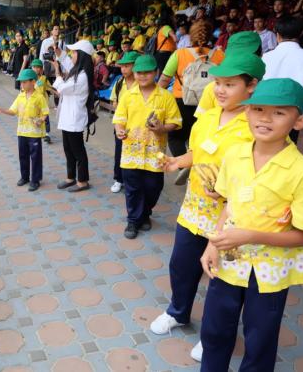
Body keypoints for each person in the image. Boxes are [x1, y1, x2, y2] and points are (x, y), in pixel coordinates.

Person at [150, 53, 265, 363]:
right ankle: (178, 311)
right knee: (181, 264)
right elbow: (198, 152)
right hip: (193, 209)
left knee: (222, 280)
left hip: (230, 217)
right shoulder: (209, 116)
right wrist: (177, 162)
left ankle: (213, 337)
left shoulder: (256, 125)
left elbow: (259, 174)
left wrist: (227, 191)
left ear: (251, 86)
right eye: (218, 83)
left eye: (229, 84)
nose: (220, 90)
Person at [199, 78, 303, 371]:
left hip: (270, 271)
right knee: (214, 330)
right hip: (229, 260)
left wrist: (249, 235)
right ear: (246, 111)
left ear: (300, 120)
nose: (265, 118)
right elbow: (229, 204)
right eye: (258, 109)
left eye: (279, 112)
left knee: (260, 339)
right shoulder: (235, 154)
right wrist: (212, 244)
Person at [113, 55, 182, 239]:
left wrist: (162, 128)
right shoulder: (128, 96)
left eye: (147, 72)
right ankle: (133, 220)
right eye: (139, 72)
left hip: (155, 154)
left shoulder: (166, 96)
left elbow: (175, 122)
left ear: (156, 72)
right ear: (134, 73)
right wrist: (120, 130)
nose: (143, 76)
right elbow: (119, 119)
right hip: (131, 152)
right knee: (132, 188)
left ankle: (145, 213)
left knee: (153, 186)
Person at [158, 20, 225, 180]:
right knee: (202, 139)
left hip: (182, 102)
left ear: (190, 36)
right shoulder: (220, 55)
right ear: (211, 36)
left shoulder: (179, 54)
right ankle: (204, 171)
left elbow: (164, 81)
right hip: (210, 106)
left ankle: (184, 165)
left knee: (176, 137)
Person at [262, 16, 303, 140]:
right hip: (297, 117)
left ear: (277, 36)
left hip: (269, 114)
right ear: (300, 34)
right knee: (293, 147)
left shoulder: (266, 57)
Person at [0, 69, 49, 192]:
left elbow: (45, 113)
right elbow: (13, 111)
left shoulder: (39, 97)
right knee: (23, 155)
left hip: (34, 133)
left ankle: (35, 180)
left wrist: (40, 120)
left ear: (33, 82)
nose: (21, 84)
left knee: (35, 157)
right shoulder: (20, 96)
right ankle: (25, 177)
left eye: (24, 82)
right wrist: (1, 110)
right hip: (22, 132)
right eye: (21, 82)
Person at [50, 40, 94, 193]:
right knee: (68, 149)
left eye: (74, 52)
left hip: (74, 119)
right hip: (67, 118)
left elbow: (62, 89)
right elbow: (66, 61)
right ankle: (70, 177)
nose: (71, 55)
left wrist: (57, 73)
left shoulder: (82, 77)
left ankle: (83, 181)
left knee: (78, 151)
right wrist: (58, 51)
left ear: (81, 56)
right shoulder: (77, 70)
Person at [109, 51, 139, 193]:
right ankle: (119, 179)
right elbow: (114, 101)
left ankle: (133, 180)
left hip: (137, 125)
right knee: (119, 152)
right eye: (122, 66)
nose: (123, 69)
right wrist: (120, 109)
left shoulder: (141, 83)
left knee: (136, 152)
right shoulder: (119, 83)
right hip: (121, 125)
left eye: (127, 66)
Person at [31, 59, 53, 144]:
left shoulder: (44, 78)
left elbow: (49, 87)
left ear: (41, 69)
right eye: (34, 67)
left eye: (38, 67)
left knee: (46, 118)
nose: (36, 69)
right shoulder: (30, 79)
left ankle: (47, 134)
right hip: (34, 102)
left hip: (43, 102)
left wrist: (57, 93)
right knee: (35, 117)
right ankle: (36, 131)